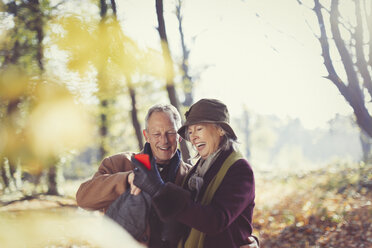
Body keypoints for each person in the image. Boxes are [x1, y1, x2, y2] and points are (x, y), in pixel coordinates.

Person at [131, 99, 256, 248]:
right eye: (190, 131)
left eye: (199, 129)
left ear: (221, 129)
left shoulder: (239, 169)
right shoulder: (196, 171)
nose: (193, 137)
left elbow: (216, 220)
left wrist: (159, 190)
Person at [76, 104, 192, 247]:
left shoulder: (191, 175)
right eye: (156, 134)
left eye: (170, 133)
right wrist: (127, 179)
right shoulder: (118, 163)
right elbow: (83, 199)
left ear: (179, 136)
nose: (164, 140)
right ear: (146, 136)